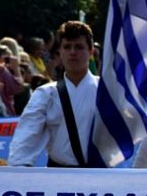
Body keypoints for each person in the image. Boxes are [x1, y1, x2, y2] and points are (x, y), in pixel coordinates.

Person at [8, 21, 99, 167]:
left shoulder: (106, 93)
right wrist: (18, 171)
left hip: (100, 178)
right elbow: (27, 136)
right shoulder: (45, 94)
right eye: (67, 47)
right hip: (58, 176)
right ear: (60, 52)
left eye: (79, 47)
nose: (73, 52)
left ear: (91, 51)